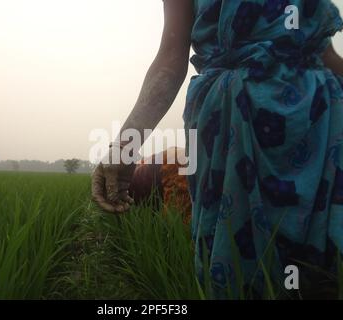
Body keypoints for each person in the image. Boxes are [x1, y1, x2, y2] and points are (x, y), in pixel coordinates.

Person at [92, 0, 343, 297]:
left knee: (323, 267)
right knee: (238, 265)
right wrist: (124, 148)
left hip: (322, 129)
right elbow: (171, 60)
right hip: (231, 126)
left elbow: (325, 55)